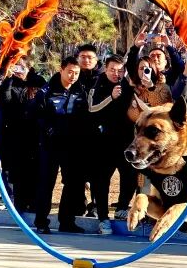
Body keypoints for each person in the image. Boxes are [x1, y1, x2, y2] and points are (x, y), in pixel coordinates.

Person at [33, 56, 88, 234]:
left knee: (73, 183)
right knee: (46, 183)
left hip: (72, 145)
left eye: (76, 73)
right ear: (61, 70)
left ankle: (67, 221)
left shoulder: (80, 91)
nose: (73, 76)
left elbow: (84, 115)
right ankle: (41, 221)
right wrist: (48, 129)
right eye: (70, 72)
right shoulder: (46, 91)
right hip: (50, 145)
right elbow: (37, 116)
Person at [87, 54, 135, 232]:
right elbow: (92, 107)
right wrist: (111, 97)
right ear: (106, 69)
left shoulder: (126, 86)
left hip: (125, 141)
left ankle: (122, 207)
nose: (116, 74)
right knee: (101, 181)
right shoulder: (98, 84)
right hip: (103, 142)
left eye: (120, 70)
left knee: (129, 175)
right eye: (112, 70)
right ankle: (103, 217)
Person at [0, 57, 44, 211]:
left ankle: (34, 205)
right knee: (14, 173)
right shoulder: (9, 83)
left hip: (35, 136)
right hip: (14, 135)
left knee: (34, 172)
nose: (18, 71)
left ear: (29, 68)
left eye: (21, 68)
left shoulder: (37, 82)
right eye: (15, 67)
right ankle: (16, 205)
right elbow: (5, 100)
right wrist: (9, 78)